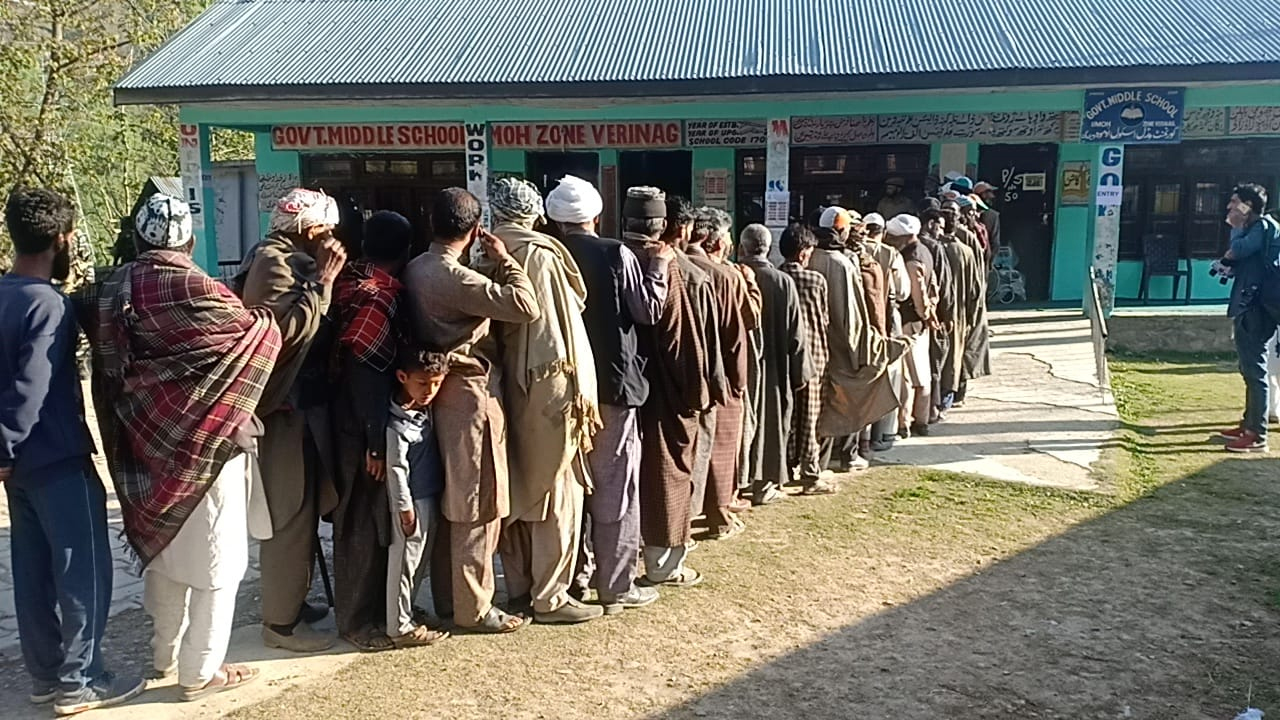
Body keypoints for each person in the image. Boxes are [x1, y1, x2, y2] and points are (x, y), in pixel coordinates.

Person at [87, 194, 280, 701]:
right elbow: (255, 335)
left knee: (166, 554)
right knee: (219, 561)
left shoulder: (112, 288)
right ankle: (201, 671)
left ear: (136, 238)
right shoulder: (196, 287)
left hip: (144, 442)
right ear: (190, 241)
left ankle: (163, 655)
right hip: (205, 446)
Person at [2, 187, 145, 715]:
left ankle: (44, 676)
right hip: (56, 457)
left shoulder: (3, 294)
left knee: (33, 572)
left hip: (17, 470)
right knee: (82, 571)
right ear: (61, 240)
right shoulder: (50, 305)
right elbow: (31, 385)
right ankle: (81, 680)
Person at [401, 188, 539, 633]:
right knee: (478, 502)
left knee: (452, 500)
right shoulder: (457, 279)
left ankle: (450, 599)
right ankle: (475, 608)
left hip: (437, 392)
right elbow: (525, 305)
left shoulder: (418, 268)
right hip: (470, 395)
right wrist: (504, 260)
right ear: (477, 230)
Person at [486, 178, 604, 624]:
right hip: (546, 392)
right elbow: (558, 338)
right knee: (560, 492)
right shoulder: (541, 255)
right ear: (535, 214)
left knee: (514, 486)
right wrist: (573, 399)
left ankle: (518, 588)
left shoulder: (485, 251)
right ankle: (550, 595)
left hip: (500, 389)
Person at [234, 188, 346, 653]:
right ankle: (280, 625)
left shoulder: (285, 259)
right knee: (289, 514)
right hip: (280, 411)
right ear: (308, 229)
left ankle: (294, 603)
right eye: (327, 230)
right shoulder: (274, 265)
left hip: (302, 407)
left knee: (303, 509)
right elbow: (281, 335)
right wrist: (323, 282)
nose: (333, 239)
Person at [550, 176, 668, 613]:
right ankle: (617, 584)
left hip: (561, 388)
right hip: (612, 387)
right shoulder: (615, 253)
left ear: (554, 220)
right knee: (614, 487)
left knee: (571, 487)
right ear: (596, 217)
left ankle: (574, 577)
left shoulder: (546, 254)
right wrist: (659, 265)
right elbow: (647, 310)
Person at [327, 210, 413, 651]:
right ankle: (356, 621)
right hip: (359, 422)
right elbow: (366, 367)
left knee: (363, 515)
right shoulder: (379, 298)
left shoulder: (349, 279)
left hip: (339, 412)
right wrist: (375, 441)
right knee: (361, 517)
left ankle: (373, 611)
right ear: (404, 251)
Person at [622, 187, 709, 588]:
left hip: (616, 386)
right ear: (663, 227)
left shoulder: (608, 255)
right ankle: (662, 564)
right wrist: (695, 393)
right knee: (665, 473)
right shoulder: (662, 262)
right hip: (660, 390)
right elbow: (677, 337)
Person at [808, 207, 898, 471]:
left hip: (816, 343)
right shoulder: (841, 263)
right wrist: (863, 349)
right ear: (841, 231)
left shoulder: (809, 255)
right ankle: (847, 456)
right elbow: (852, 316)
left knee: (819, 405)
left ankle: (819, 458)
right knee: (849, 400)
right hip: (841, 346)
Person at [687, 210, 760, 528]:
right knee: (722, 443)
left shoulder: (674, 263)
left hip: (681, 371)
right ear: (717, 240)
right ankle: (718, 511)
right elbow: (742, 327)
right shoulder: (727, 275)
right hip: (722, 374)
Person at [383, 350, 451, 648]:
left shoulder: (426, 413)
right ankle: (398, 626)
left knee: (419, 560)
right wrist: (404, 507)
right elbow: (396, 469)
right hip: (411, 503)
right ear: (402, 378)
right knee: (404, 562)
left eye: (436, 383)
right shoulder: (395, 424)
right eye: (422, 383)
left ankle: (408, 610)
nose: (429, 391)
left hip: (430, 494)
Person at [738, 224, 814, 493]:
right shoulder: (783, 282)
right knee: (773, 423)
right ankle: (765, 481)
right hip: (776, 368)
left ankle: (737, 482)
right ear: (767, 249)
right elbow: (797, 334)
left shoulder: (733, 275)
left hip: (741, 367)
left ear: (741, 247)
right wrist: (801, 374)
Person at [671, 205, 727, 518]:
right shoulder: (698, 276)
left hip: (646, 385)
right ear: (683, 230)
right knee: (692, 456)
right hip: (692, 383)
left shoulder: (627, 263)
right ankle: (685, 523)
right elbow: (712, 343)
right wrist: (715, 387)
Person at [1218, 184, 1280, 453]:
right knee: (1248, 368)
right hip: (1250, 303)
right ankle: (1248, 423)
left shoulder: (1260, 228)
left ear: (1248, 206)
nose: (1230, 208)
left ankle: (1256, 434)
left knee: (1255, 370)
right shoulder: (1259, 229)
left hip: (1256, 307)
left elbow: (1238, 251)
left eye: (1235, 203)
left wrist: (1235, 226)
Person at [780, 224, 833, 494]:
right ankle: (811, 473)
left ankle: (784, 467)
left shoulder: (775, 278)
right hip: (813, 356)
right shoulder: (815, 281)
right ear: (803, 253)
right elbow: (824, 319)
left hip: (781, 359)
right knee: (810, 418)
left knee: (786, 415)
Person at [884, 214, 937, 436]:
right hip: (920, 322)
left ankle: (909, 422)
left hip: (910, 322)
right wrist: (931, 312)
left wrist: (924, 314)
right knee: (920, 372)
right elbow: (933, 286)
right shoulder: (925, 250)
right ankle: (920, 419)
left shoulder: (911, 258)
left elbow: (918, 293)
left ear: (906, 236)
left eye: (895, 237)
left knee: (911, 376)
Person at [936, 202, 986, 412]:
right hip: (958, 311)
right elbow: (976, 287)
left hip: (948, 311)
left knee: (953, 357)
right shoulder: (961, 249)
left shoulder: (964, 244)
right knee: (955, 356)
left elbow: (978, 281)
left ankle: (949, 396)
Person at [918, 209, 957, 423]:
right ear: (930, 223)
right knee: (933, 363)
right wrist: (947, 316)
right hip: (932, 315)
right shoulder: (934, 248)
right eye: (939, 226)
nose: (941, 232)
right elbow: (945, 286)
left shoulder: (904, 245)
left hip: (910, 317)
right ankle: (931, 410)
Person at [973, 181, 1002, 252]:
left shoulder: (993, 215)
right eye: (989, 192)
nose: (992, 196)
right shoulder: (992, 216)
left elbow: (995, 243)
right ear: (982, 195)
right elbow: (995, 243)